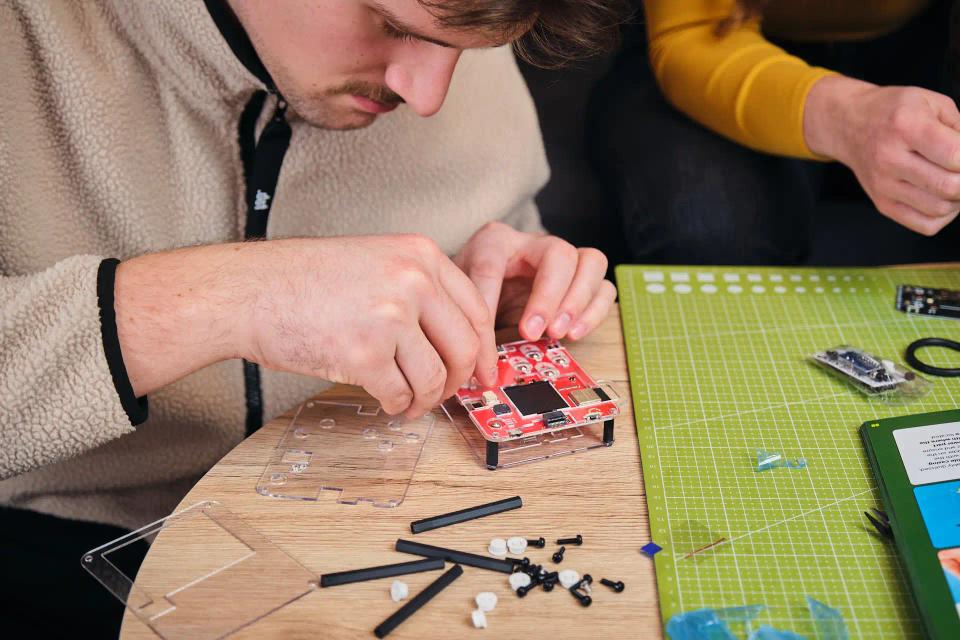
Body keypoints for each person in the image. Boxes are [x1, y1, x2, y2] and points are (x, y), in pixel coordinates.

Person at [0, 0, 628, 633]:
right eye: (393, 27)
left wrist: (494, 301)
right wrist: (230, 296)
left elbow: (505, 230)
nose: (429, 95)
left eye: (465, 51)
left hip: (378, 520)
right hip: (70, 545)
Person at [591, 0, 960, 265]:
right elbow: (695, 34)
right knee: (707, 232)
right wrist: (849, 118)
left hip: (924, 38)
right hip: (714, 39)